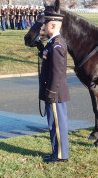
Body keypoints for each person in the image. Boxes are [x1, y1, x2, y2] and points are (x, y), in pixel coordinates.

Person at [39, 12, 70, 163]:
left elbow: (57, 71)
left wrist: (51, 92)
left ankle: (60, 155)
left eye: (45, 25)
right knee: (53, 123)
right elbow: (49, 60)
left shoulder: (57, 44)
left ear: (52, 25)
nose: (43, 28)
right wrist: (41, 48)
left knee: (57, 125)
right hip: (54, 91)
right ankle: (56, 153)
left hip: (55, 92)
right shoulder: (53, 42)